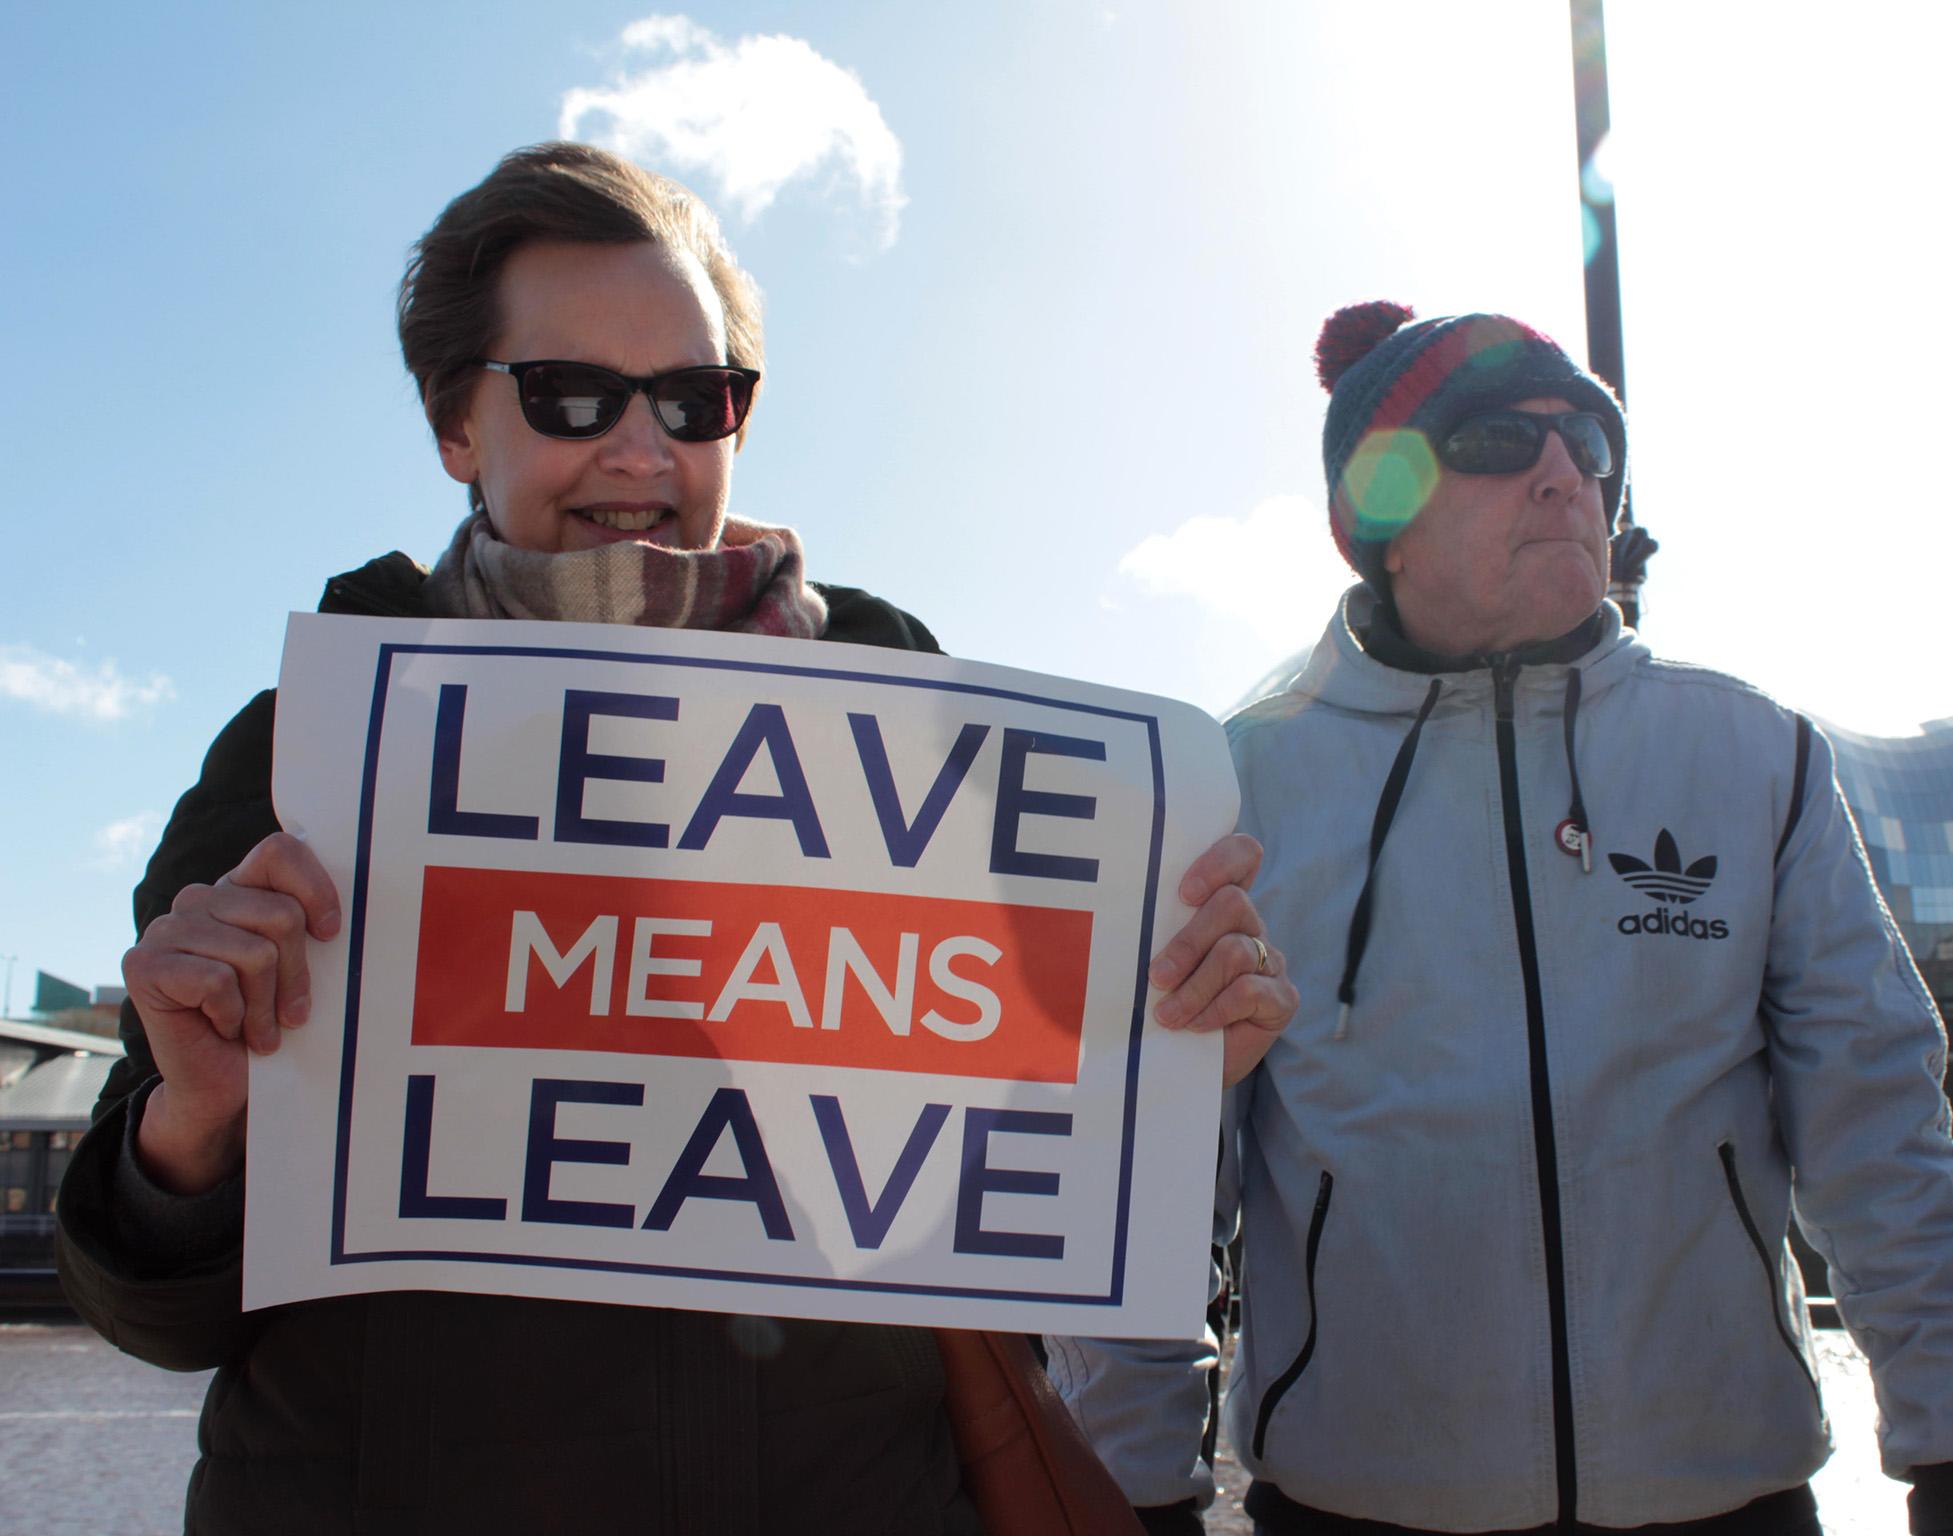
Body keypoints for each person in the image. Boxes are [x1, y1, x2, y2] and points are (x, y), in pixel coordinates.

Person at [55, 142, 1297, 1536]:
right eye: (571, 394)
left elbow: (997, 1187)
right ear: (457, 427)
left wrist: (1157, 1067)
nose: (642, 450)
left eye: (695, 399)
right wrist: (194, 1130)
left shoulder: (911, 710)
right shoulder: (309, 750)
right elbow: (146, 1309)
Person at [1049, 301, 1953, 1535]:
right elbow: (1150, 1175)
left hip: (1724, 1494)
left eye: (1586, 442)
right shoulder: (1234, 789)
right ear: (1380, 518)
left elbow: (1877, 1124)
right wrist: (1131, 1491)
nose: (1562, 473)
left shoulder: (1749, 757)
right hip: (1354, 1504)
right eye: (1496, 442)